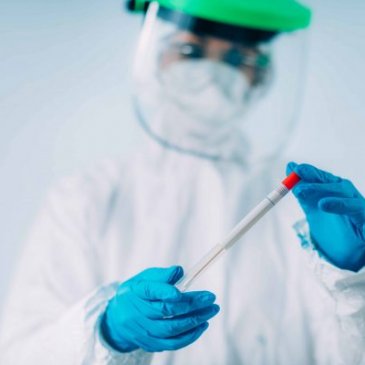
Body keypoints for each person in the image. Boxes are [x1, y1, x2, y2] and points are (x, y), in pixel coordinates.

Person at [1, 0, 365, 364]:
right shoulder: (85, 199)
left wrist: (349, 278)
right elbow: (20, 354)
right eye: (191, 50)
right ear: (157, 55)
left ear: (262, 76)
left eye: (240, 59)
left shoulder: (304, 214)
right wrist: (106, 333)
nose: (214, 73)